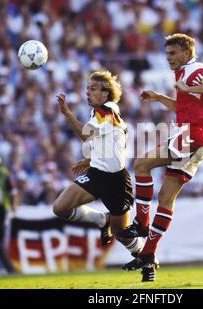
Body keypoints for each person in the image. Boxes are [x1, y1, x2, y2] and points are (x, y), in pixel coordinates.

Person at [118, 33, 203, 281]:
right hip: (197, 138)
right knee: (166, 197)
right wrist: (159, 98)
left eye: (173, 53)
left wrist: (188, 87)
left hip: (192, 134)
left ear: (187, 53)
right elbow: (184, 106)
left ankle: (142, 223)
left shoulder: (194, 69)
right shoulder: (183, 74)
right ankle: (148, 255)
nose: (169, 58)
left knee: (142, 163)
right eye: (167, 54)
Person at [52, 71, 144, 261]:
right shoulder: (103, 113)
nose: (88, 93)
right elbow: (116, 140)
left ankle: (146, 259)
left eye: (93, 89)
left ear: (105, 93)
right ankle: (101, 219)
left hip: (116, 181)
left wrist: (67, 113)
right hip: (96, 174)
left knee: (122, 234)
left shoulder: (106, 111)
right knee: (60, 208)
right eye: (87, 88)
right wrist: (92, 158)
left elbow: (86, 135)